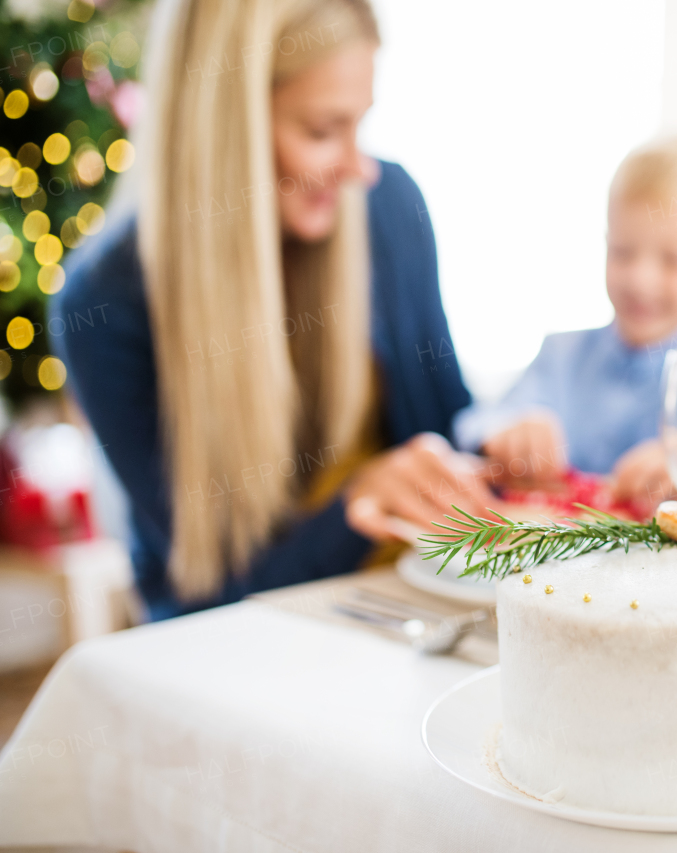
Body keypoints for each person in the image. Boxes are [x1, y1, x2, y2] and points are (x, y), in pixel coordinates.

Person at [54, 0, 495, 620]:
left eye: (358, 125)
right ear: (222, 130)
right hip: (243, 651)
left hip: (416, 621)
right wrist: (357, 508)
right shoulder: (103, 307)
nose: (358, 167)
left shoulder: (392, 208)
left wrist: (505, 449)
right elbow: (211, 596)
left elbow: (452, 430)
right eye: (321, 131)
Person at [453, 138, 677, 514]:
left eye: (672, 260)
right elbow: (477, 423)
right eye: (622, 251)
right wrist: (508, 433)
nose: (641, 279)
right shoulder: (562, 355)